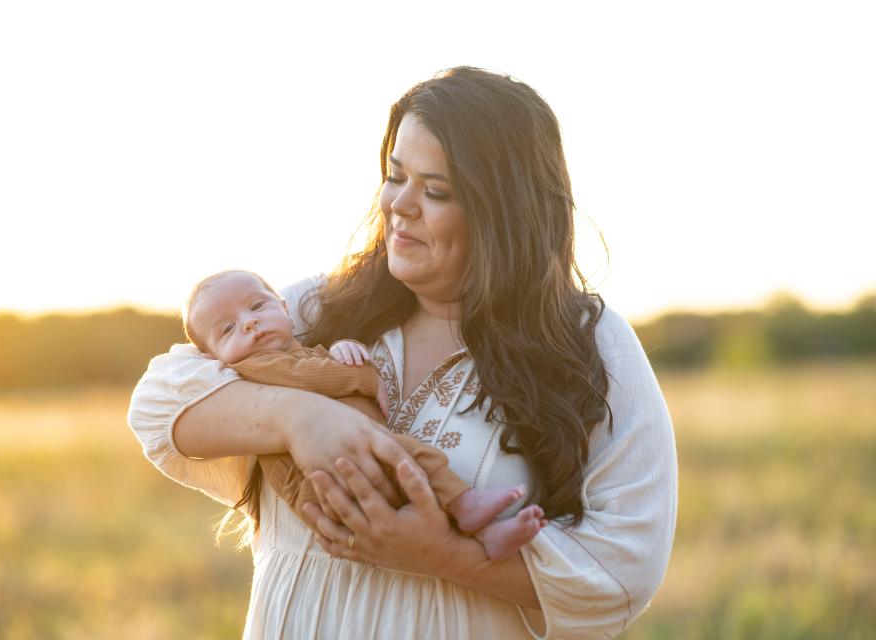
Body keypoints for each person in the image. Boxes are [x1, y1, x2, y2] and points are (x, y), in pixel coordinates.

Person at [128, 66, 677, 639]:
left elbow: (624, 567)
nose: (400, 205)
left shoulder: (588, 343)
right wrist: (301, 417)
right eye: (395, 177)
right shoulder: (314, 310)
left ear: (504, 214)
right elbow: (157, 406)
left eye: (436, 191)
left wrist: (444, 555)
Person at [182, 268, 547, 559]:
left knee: (412, 467)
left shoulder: (301, 352)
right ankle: (468, 511)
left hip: (359, 455)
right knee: (411, 464)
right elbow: (319, 377)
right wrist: (366, 377)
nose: (248, 322)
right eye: (227, 329)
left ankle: (482, 528)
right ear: (215, 358)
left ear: (283, 306)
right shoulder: (254, 368)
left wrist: (344, 347)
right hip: (323, 484)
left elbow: (318, 367)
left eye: (258, 307)